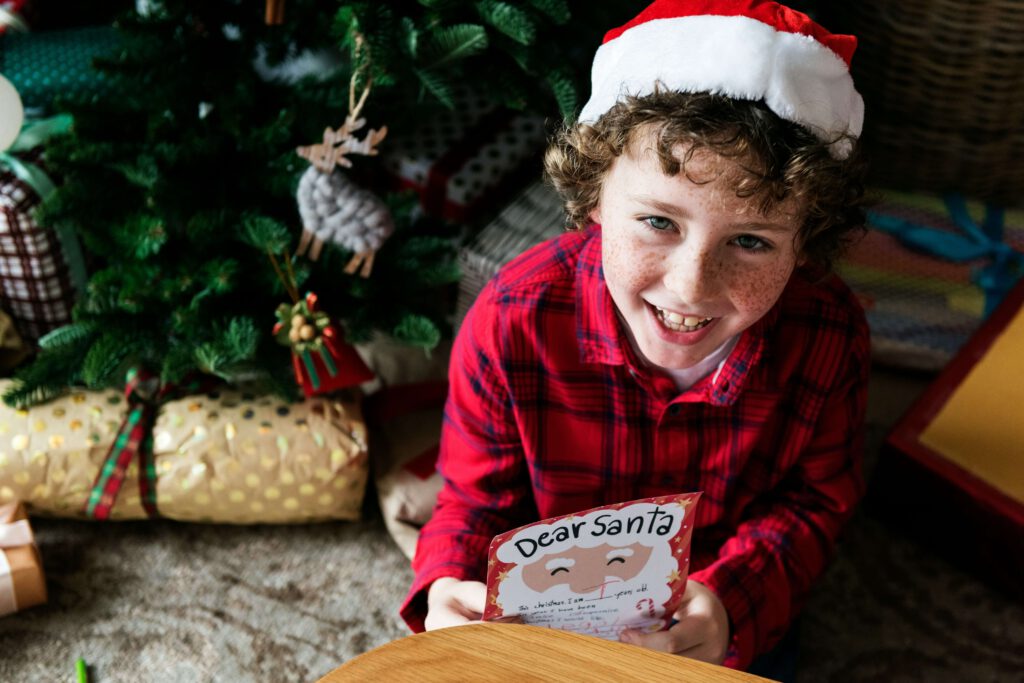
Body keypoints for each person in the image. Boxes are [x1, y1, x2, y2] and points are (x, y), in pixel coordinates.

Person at [400, 0, 871, 673]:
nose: (690, 286)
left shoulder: (828, 335)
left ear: (806, 244)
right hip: (543, 609)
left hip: (712, 606)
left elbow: (815, 500)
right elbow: (475, 499)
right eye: (658, 222)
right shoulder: (514, 317)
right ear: (595, 196)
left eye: (750, 240)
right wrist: (446, 583)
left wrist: (730, 599)